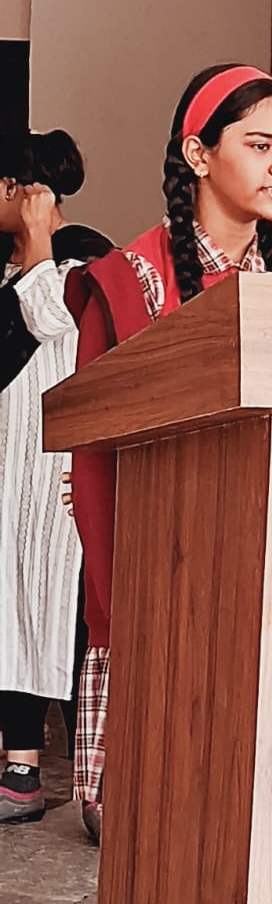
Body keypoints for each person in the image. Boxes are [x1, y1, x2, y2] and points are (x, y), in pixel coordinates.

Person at [66, 65, 272, 844]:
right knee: (161, 831)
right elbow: (96, 466)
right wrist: (123, 613)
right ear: (199, 155)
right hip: (163, 589)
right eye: (260, 144)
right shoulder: (127, 284)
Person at [0, 129, 111, 825]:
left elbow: (50, 320)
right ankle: (20, 769)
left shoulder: (85, 257)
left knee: (68, 615)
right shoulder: (9, 268)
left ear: (20, 190)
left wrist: (40, 239)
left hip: (61, 476)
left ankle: (97, 779)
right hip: (11, 475)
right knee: (10, 609)